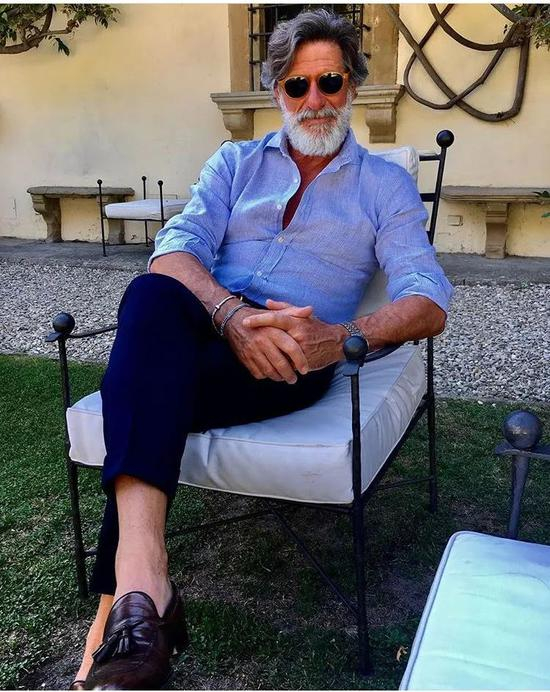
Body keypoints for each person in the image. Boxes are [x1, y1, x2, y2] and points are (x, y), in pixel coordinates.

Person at [73, 9, 453, 690]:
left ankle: (127, 613)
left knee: (147, 389)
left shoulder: (384, 185)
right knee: (152, 294)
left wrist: (340, 338)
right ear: (278, 91)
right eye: (298, 85)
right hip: (208, 323)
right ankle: (143, 584)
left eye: (330, 81)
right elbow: (175, 250)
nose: (316, 100)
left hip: (296, 354)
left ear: (353, 85)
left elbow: (428, 299)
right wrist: (230, 314)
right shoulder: (235, 163)